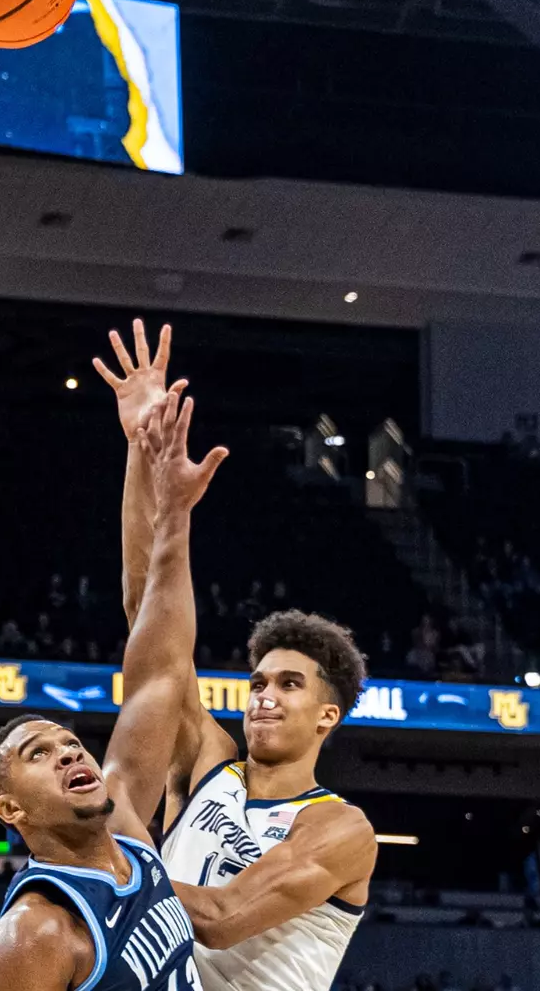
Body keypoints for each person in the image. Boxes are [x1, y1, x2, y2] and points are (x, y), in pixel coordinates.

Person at [96, 319, 374, 991]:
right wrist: (144, 453)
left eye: (288, 685)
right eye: (257, 681)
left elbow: (224, 916)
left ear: (327, 717)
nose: (264, 696)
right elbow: (147, 613)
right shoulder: (208, 765)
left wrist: (98, 852)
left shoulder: (340, 828)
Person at [0, 384, 220, 991]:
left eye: (67, 743)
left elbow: (162, 666)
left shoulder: (129, 829)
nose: (68, 752)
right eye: (38, 755)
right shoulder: (36, 932)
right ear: (10, 810)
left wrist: (172, 508)